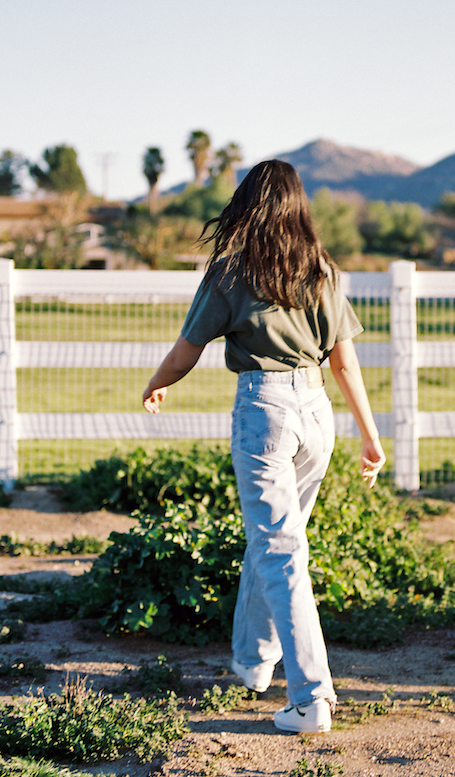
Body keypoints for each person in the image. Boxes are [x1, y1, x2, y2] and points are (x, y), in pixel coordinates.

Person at [141, 160, 385, 734]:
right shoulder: (322, 271)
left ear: (247, 206)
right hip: (316, 413)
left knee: (280, 550)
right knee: (275, 540)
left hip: (265, 411)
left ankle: (312, 697)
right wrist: (371, 436)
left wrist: (157, 382)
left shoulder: (231, 273)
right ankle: (253, 665)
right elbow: (344, 362)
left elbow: (186, 350)